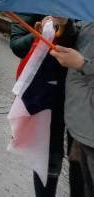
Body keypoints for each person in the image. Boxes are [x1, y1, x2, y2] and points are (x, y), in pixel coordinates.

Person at [11, 15, 80, 197]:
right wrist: (38, 35)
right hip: (46, 92)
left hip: (82, 94)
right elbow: (17, 46)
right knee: (48, 154)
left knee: (79, 158)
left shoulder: (84, 1)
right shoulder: (32, 0)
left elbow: (81, 44)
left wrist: (67, 26)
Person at [50, 21, 94, 196]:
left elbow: (82, 59)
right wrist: (65, 25)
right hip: (82, 124)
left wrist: (83, 64)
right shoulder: (89, 16)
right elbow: (78, 41)